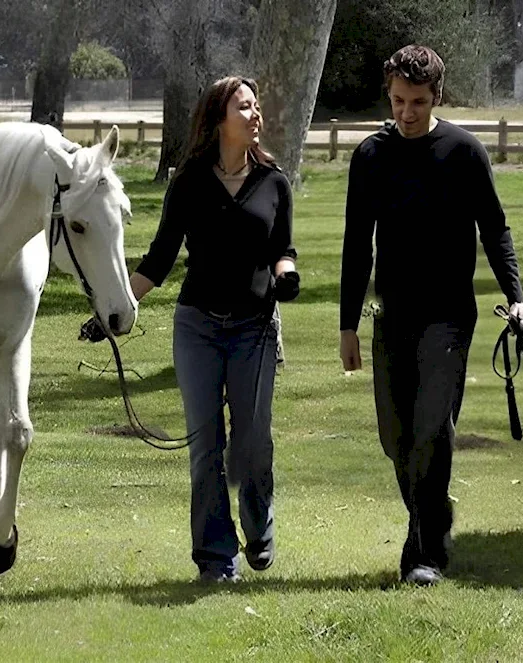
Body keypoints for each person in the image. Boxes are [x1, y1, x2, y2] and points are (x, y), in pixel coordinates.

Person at [338, 45, 523, 585]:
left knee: (431, 429)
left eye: (418, 102)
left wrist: (515, 296)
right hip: (391, 316)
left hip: (449, 315)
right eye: (399, 100)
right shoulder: (371, 157)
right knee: (395, 438)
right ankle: (436, 514)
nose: (406, 113)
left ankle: (424, 555)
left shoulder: (464, 153)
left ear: (437, 98)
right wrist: (347, 324)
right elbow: (357, 245)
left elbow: (495, 228)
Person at [131, 76, 299, 583]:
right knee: (207, 446)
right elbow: (159, 259)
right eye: (242, 107)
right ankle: (214, 558)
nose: (254, 115)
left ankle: (258, 525)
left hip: (255, 329)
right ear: (218, 118)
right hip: (197, 328)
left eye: (255, 107)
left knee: (250, 445)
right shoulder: (188, 183)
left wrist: (286, 274)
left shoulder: (274, 182)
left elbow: (282, 250)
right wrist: (114, 310)